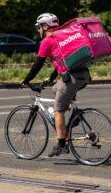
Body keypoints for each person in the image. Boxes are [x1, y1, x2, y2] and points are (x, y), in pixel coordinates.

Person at [21, 13, 90, 157]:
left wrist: (26, 80)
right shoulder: (61, 37)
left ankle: (61, 145)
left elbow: (38, 63)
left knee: (58, 110)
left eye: (39, 27)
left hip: (72, 78)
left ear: (45, 26)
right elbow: (61, 62)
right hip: (83, 75)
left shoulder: (48, 40)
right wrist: (51, 78)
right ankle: (72, 115)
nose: (39, 30)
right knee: (55, 89)